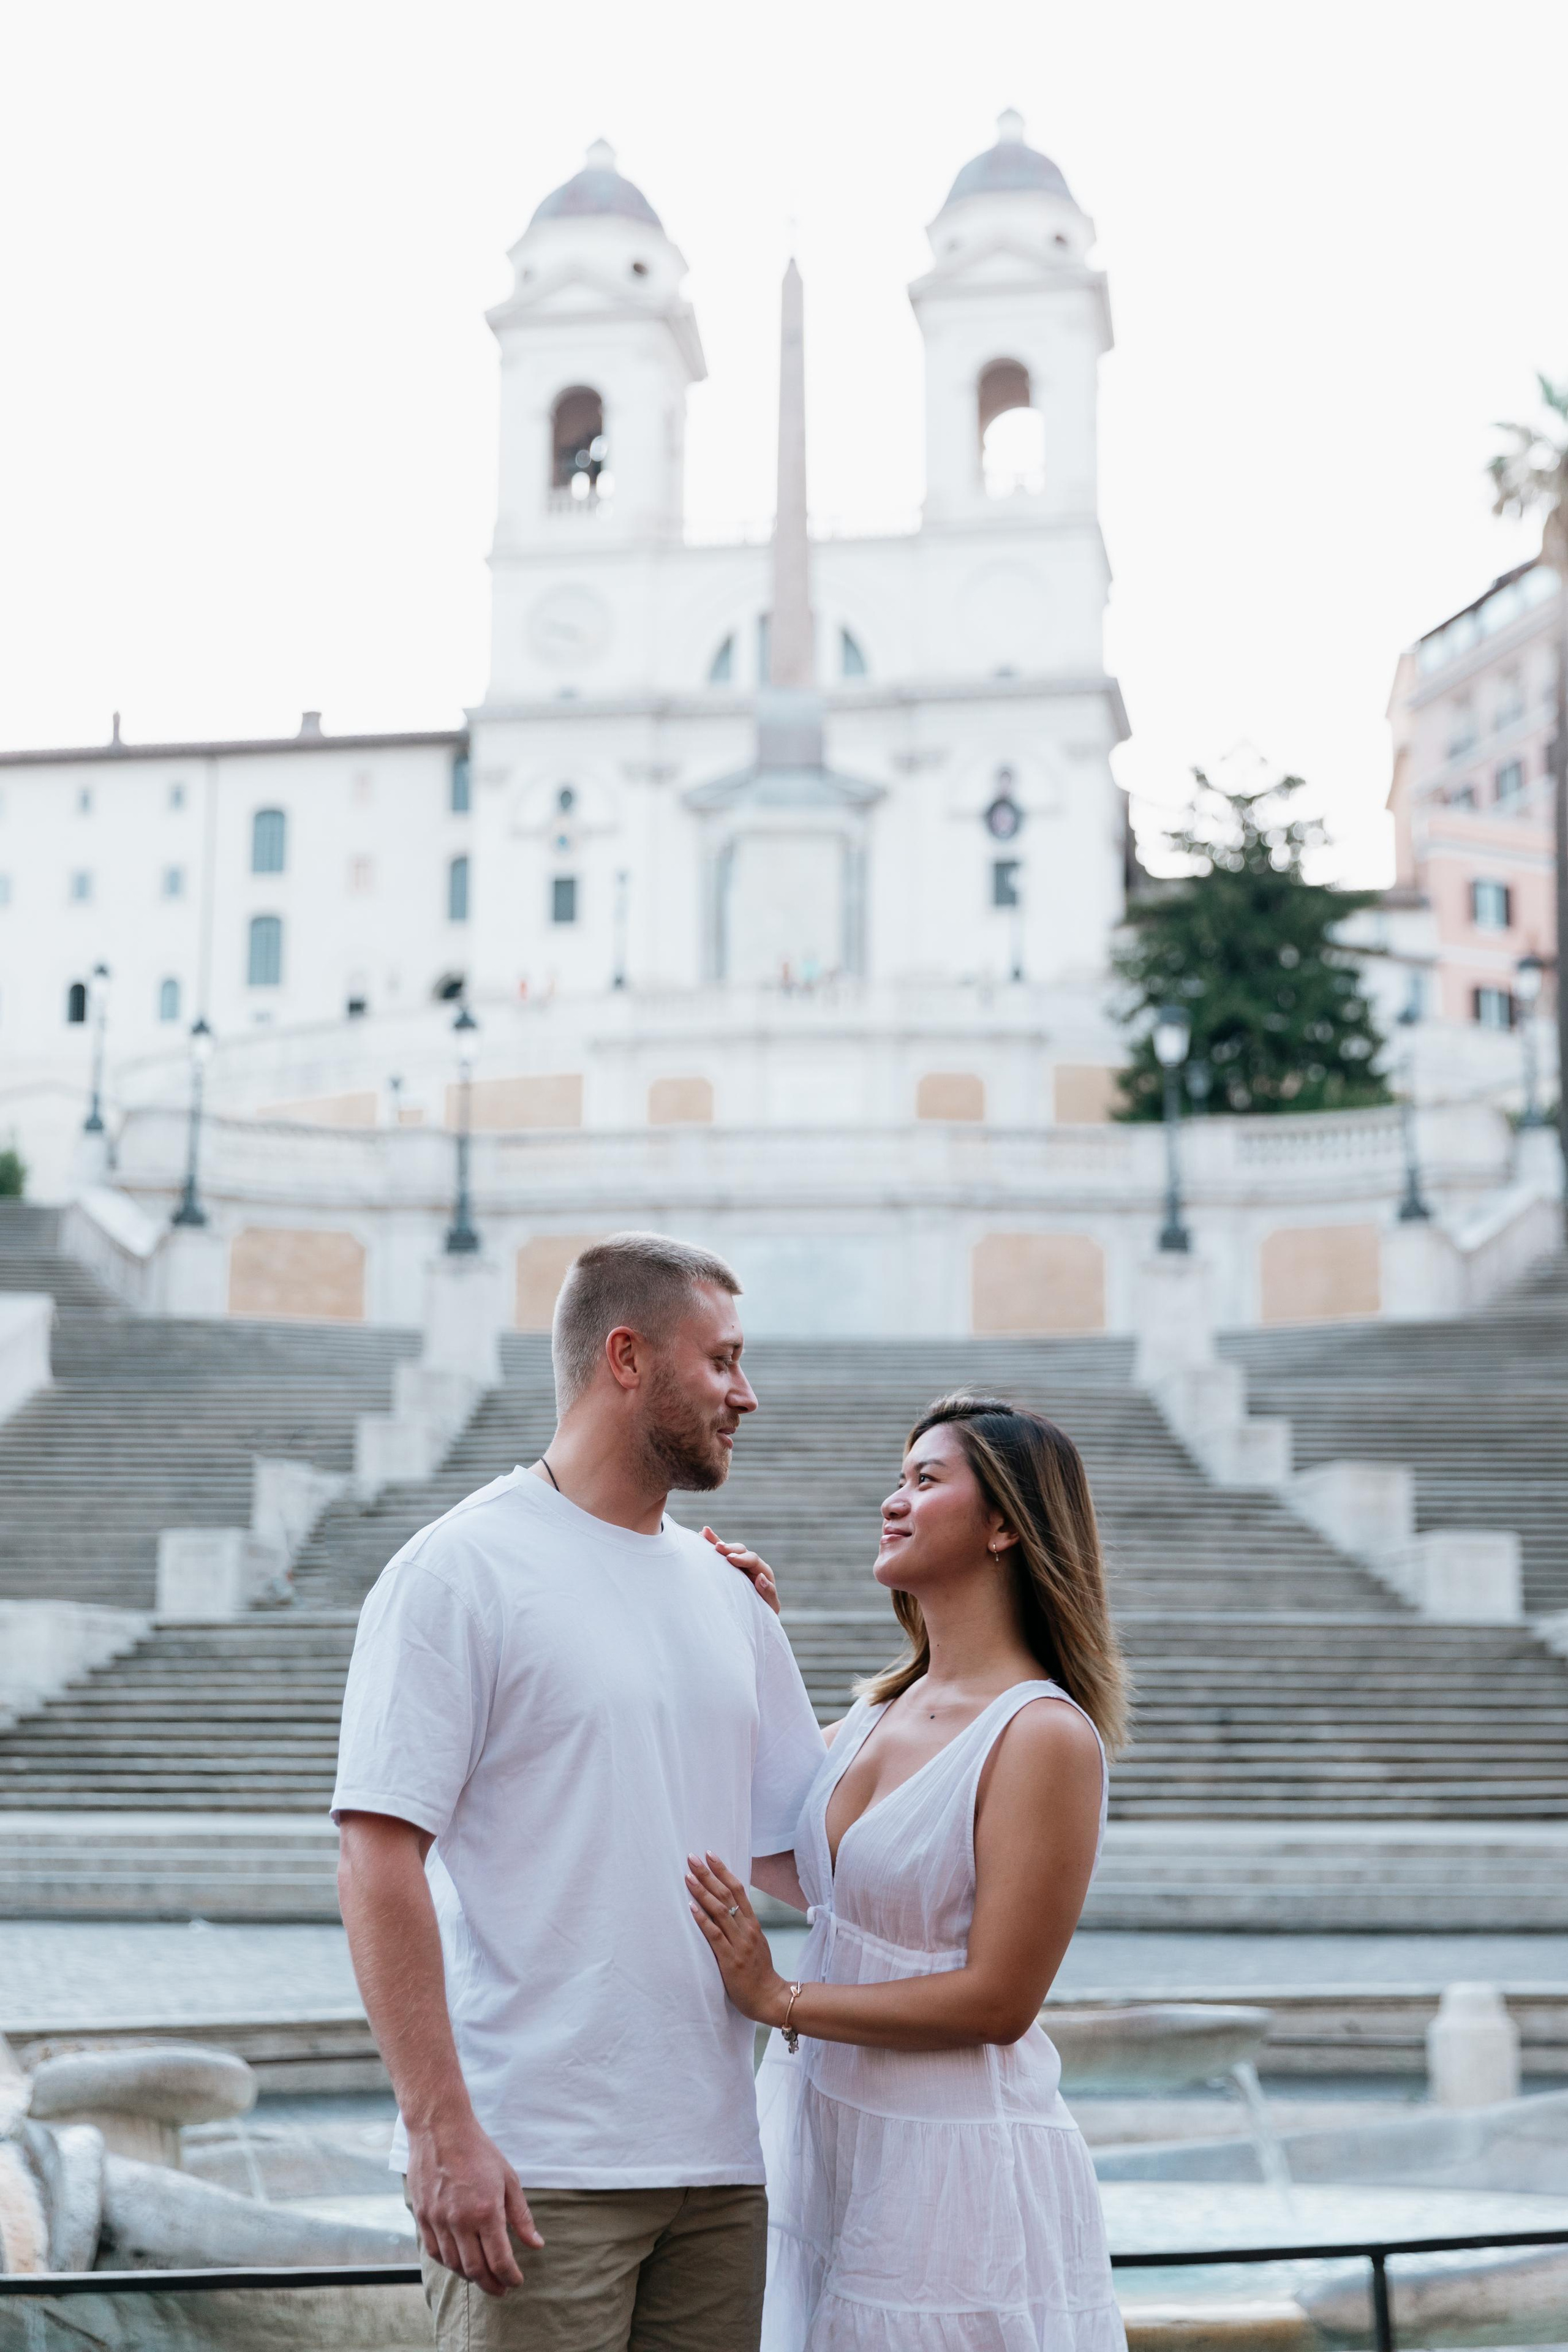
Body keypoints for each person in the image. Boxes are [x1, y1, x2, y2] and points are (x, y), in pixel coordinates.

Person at [332, 1233, 826, 2352]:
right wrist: (438, 2127)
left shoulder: (728, 1592)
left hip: (719, 2168)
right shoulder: (459, 1572)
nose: (747, 1396)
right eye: (724, 1362)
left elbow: (802, 1852)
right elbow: (376, 1856)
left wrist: (972, 1704)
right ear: (627, 1357)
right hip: (535, 2171)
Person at [685, 1392, 1132, 2352]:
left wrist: (780, 1997)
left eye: (926, 1481)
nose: (894, 1500)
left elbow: (997, 2001)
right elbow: (798, 1864)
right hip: (834, 2133)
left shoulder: (1042, 1734)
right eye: (899, 1478)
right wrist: (754, 1640)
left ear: (1006, 1524)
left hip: (956, 2168)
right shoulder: (888, 1705)